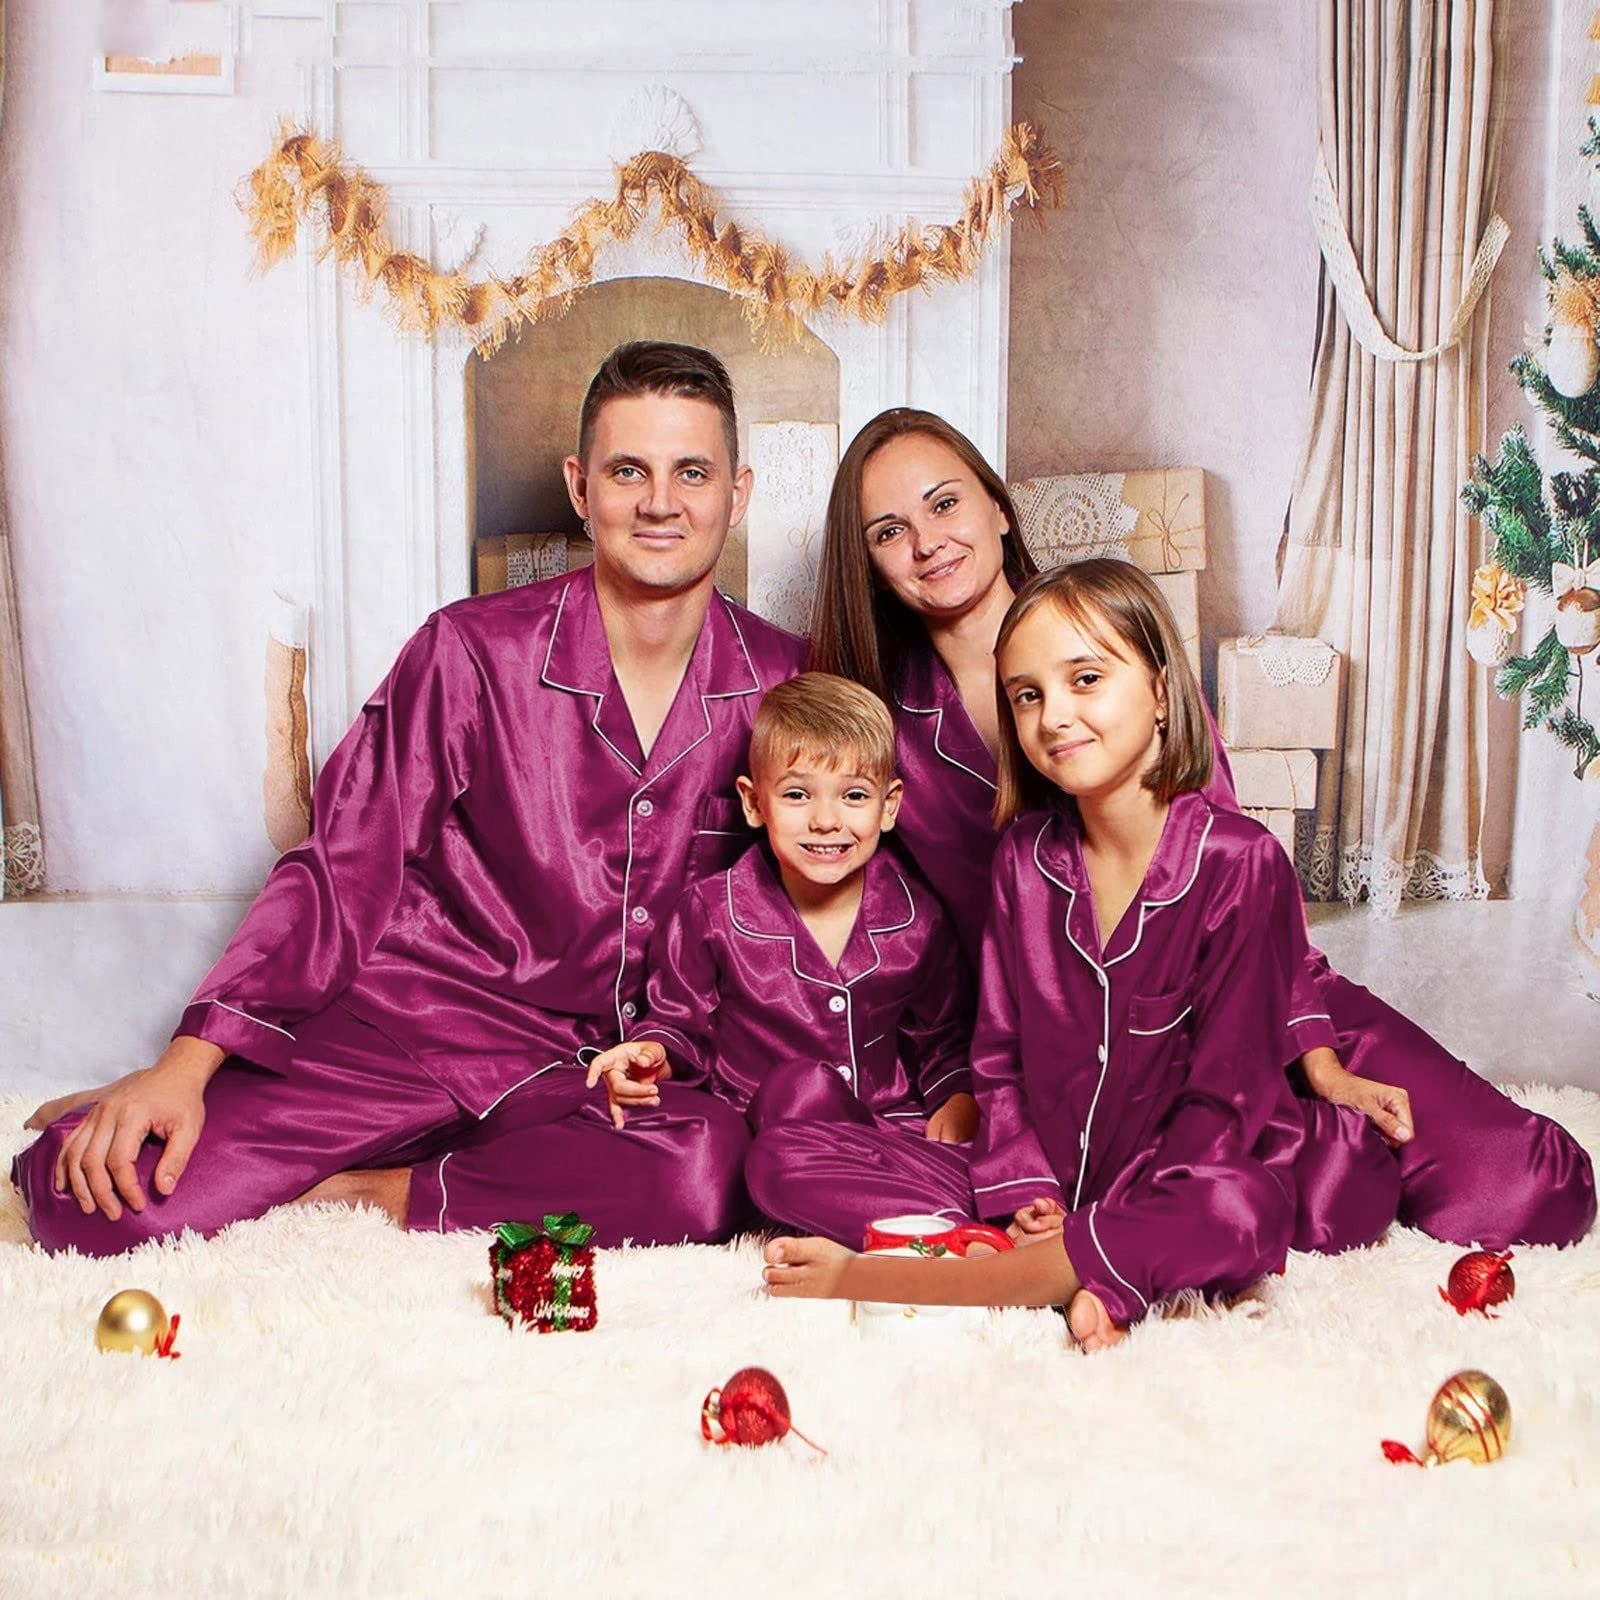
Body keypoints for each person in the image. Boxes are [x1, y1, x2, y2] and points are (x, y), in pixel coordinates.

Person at [13, 341, 807, 1257]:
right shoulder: (469, 652)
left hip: (613, 1075)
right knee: (97, 1198)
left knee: (703, 1173)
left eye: (692, 473)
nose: (661, 503)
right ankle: (242, 1117)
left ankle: (372, 1186)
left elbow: (813, 898)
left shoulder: (787, 685)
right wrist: (184, 1068)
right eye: (629, 470)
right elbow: (341, 866)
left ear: (736, 495)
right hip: (421, 1033)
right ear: (581, 489)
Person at [808, 408, 1595, 1253]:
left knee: (1529, 1189)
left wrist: (1316, 1058)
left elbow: (1239, 872)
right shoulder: (880, 729)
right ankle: (1243, 1181)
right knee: (1287, 1194)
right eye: (892, 530)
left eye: (944, 504)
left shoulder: (1122, 647)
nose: (928, 542)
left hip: (1249, 992)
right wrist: (961, 1084)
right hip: (1069, 1050)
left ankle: (1264, 1151)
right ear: (872, 564)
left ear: (998, 508)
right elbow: (919, 940)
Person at [768, 562, 1346, 1347]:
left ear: (1162, 691)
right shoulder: (1022, 859)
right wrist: (1025, 1186)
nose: (1054, 716)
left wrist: (1112, 1216)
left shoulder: (1243, 865)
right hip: (1047, 1171)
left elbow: (1226, 1101)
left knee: (1240, 1209)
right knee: (781, 1163)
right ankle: (1079, 1258)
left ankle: (945, 1274)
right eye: (1028, 695)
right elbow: (999, 1058)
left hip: (1188, 1176)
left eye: (1085, 679)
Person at [582, 672, 981, 1245]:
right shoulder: (712, 911)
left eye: (854, 795)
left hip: (880, 1138)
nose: (825, 821)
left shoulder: (918, 917)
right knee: (777, 1120)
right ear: (753, 802)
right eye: (797, 794)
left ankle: (948, 1223)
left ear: (889, 806)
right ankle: (921, 1230)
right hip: (761, 1144)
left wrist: (957, 1096)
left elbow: (940, 1040)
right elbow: (677, 1028)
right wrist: (653, 1056)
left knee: (969, 1153)